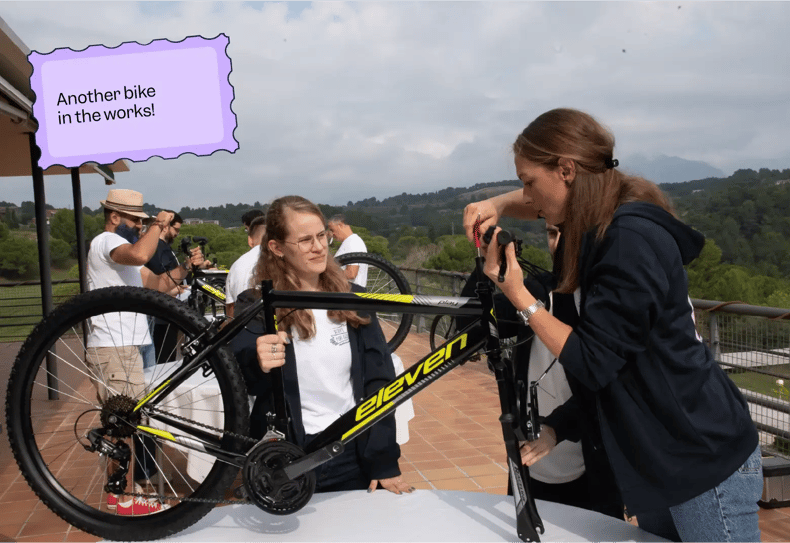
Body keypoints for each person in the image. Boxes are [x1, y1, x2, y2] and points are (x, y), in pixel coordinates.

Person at [463, 108, 762, 543]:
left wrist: (519, 295)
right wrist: (497, 204)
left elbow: (594, 360)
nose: (527, 196)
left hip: (700, 460)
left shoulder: (629, 239)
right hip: (657, 461)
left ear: (567, 170)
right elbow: (615, 375)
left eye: (528, 182)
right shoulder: (592, 229)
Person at [231, 195, 412, 495]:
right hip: (285, 460)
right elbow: (241, 377)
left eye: (321, 236)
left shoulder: (354, 299)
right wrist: (256, 358)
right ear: (276, 247)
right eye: (305, 240)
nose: (318, 247)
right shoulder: (257, 304)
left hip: (351, 456)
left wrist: (383, 461)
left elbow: (379, 381)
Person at [86, 188, 174, 515]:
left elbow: (161, 284)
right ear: (114, 217)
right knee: (120, 424)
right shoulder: (107, 241)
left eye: (142, 221)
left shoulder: (120, 256)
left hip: (125, 347)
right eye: (135, 220)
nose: (139, 226)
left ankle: (125, 492)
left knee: (126, 422)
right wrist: (157, 225)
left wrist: (186, 267)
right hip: (114, 346)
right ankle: (120, 498)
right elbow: (139, 255)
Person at [225, 215, 266, 317]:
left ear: (250, 240)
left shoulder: (235, 266)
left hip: (243, 325)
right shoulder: (281, 262)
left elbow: (230, 312)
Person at [327, 214, 368, 287]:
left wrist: (330, 274)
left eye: (332, 230)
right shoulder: (350, 241)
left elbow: (351, 273)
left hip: (350, 289)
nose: (332, 234)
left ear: (340, 225)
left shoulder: (352, 242)